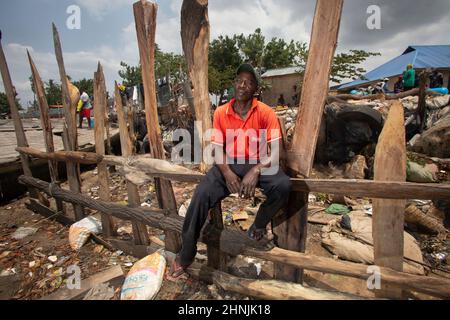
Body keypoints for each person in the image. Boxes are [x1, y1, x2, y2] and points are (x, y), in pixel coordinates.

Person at [167, 64, 291, 279]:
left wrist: (256, 171)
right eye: (239, 80)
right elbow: (216, 149)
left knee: (284, 185)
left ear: (255, 89)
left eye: (249, 82)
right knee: (201, 195)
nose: (243, 85)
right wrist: (227, 173)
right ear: (235, 84)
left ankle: (259, 224)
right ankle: (186, 254)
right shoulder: (221, 112)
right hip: (229, 164)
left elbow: (277, 151)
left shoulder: (265, 112)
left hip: (258, 162)